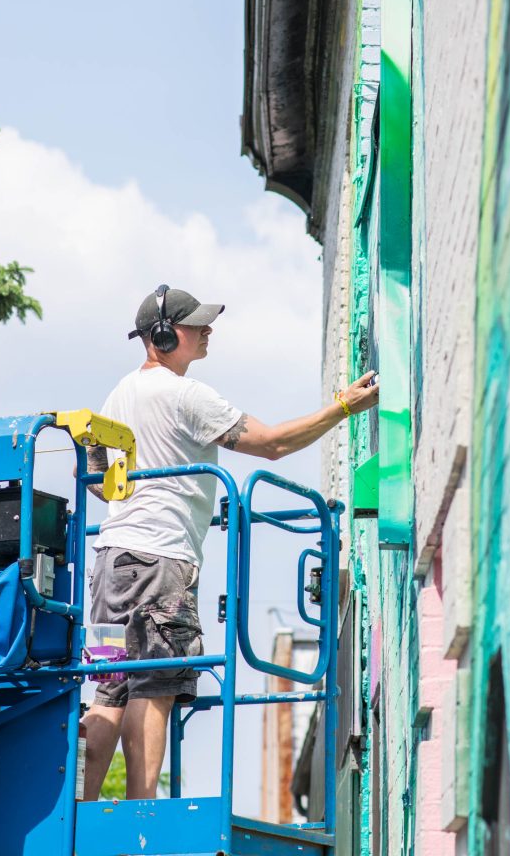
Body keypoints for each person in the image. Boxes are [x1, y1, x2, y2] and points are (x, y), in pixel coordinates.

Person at [82, 284, 378, 801]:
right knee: (154, 685)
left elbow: (97, 472)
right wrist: (343, 408)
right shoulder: (186, 394)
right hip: (160, 561)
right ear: (163, 335)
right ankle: (140, 821)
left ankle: (80, 814)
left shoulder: (119, 393)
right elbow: (274, 444)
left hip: (110, 560)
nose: (208, 331)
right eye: (197, 325)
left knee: (108, 687)